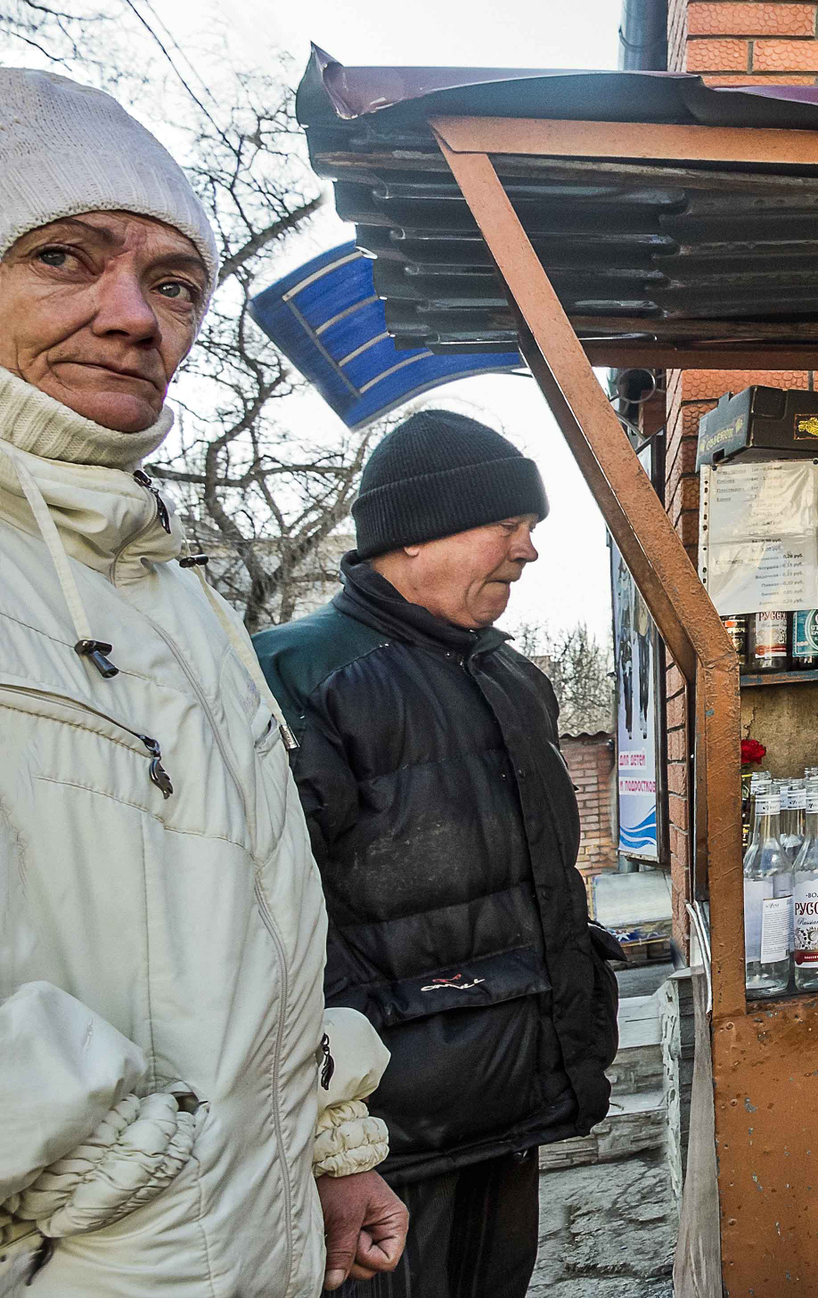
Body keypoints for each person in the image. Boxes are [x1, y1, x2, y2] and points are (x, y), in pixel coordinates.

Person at [0, 68, 405, 1296]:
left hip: (241, 1240)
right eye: (64, 257)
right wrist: (113, 1174)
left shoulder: (176, 596)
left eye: (175, 284)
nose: (134, 316)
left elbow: (258, 920)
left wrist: (325, 1145)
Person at [256, 409, 620, 1298]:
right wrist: (336, 1142)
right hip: (385, 1147)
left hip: (509, 1107)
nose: (528, 549)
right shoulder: (298, 676)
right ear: (415, 533)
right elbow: (271, 927)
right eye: (508, 524)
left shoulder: (509, 675)